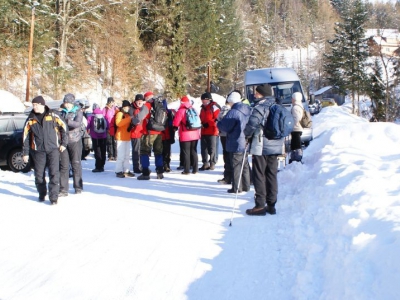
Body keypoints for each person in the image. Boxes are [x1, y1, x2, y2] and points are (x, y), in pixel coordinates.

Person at [243, 84, 284, 216]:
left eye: (257, 93)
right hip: (275, 145)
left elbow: (252, 124)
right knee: (272, 174)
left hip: (261, 146)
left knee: (259, 174)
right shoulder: (277, 106)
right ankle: (271, 205)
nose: (255, 95)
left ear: (262, 94)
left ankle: (260, 205)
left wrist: (246, 136)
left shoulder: (260, 107)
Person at [22, 96, 68, 204]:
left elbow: (64, 128)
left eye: (37, 105)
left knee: (54, 173)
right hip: (38, 151)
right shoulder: (30, 119)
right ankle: (42, 193)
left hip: (53, 149)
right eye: (33, 105)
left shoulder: (53, 115)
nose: (35, 107)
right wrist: (25, 153)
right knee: (39, 175)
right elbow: (25, 137)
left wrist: (64, 143)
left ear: (42, 105)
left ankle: (53, 198)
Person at [217, 91, 251, 193]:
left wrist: (218, 123)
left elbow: (225, 126)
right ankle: (246, 185)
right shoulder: (248, 109)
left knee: (236, 165)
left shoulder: (234, 112)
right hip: (244, 139)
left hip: (235, 140)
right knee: (244, 164)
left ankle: (236, 187)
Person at [131, 91, 164, 180]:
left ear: (146, 98)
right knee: (158, 152)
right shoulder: (160, 105)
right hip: (159, 132)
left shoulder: (148, 105)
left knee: (144, 152)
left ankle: (145, 173)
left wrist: (133, 122)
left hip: (148, 133)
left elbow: (139, 117)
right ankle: (160, 172)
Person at [59, 93, 84, 195]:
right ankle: (63, 189)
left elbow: (77, 124)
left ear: (72, 103)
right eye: (65, 103)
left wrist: (66, 121)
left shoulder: (78, 111)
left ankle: (78, 186)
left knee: (76, 164)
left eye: (68, 103)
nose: (66, 105)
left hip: (75, 140)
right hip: (64, 141)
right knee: (64, 166)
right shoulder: (62, 112)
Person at [172, 96, 200, 175]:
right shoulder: (194, 109)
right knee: (194, 151)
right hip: (195, 133)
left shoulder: (181, 110)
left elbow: (176, 122)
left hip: (185, 134)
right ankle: (195, 169)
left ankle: (187, 170)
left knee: (186, 152)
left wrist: (175, 127)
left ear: (181, 102)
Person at [199, 92, 220, 170]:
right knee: (203, 148)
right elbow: (201, 117)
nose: (203, 101)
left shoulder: (214, 107)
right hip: (203, 130)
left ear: (209, 99)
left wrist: (208, 124)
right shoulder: (202, 108)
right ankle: (205, 163)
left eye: (204, 100)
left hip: (212, 131)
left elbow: (217, 119)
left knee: (212, 148)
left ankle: (212, 162)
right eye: (202, 100)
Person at [114, 100, 134, 178]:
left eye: (129, 107)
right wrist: (129, 119)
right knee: (121, 156)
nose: (128, 108)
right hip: (121, 138)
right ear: (123, 107)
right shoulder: (120, 114)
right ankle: (118, 171)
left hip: (127, 138)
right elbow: (118, 123)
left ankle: (126, 170)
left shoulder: (127, 115)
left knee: (127, 156)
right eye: (126, 107)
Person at [87, 106, 109, 172]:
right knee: (103, 151)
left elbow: (87, 126)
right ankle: (102, 166)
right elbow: (107, 126)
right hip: (103, 137)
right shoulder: (104, 117)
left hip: (95, 137)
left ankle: (97, 167)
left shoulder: (91, 117)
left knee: (97, 152)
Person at [216, 98, 232, 184]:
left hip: (223, 134)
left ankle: (227, 175)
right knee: (229, 154)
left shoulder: (223, 109)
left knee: (226, 154)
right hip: (229, 134)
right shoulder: (231, 110)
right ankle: (229, 174)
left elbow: (218, 119)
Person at [129, 94, 145, 174]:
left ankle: (142, 166)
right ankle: (136, 167)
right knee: (136, 151)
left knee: (142, 151)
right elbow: (131, 120)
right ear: (135, 101)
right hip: (135, 133)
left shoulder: (143, 108)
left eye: (141, 101)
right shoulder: (132, 108)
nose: (140, 102)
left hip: (142, 133)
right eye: (138, 101)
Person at [161, 99, 176, 173]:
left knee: (161, 152)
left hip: (161, 135)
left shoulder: (158, 112)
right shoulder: (170, 112)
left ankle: (162, 165)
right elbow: (172, 125)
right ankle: (166, 165)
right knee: (167, 151)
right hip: (168, 135)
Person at [103, 97, 118, 161]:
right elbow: (103, 118)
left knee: (115, 142)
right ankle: (110, 155)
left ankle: (116, 155)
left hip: (114, 127)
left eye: (112, 102)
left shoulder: (116, 108)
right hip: (108, 128)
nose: (111, 103)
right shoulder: (105, 109)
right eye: (110, 102)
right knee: (109, 142)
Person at [290, 92, 304, 163]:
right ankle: (296, 158)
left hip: (296, 128)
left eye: (292, 98)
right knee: (296, 143)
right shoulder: (300, 105)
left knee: (296, 144)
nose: (291, 99)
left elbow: (296, 118)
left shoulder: (295, 107)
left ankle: (297, 158)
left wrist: (290, 124)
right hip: (298, 128)